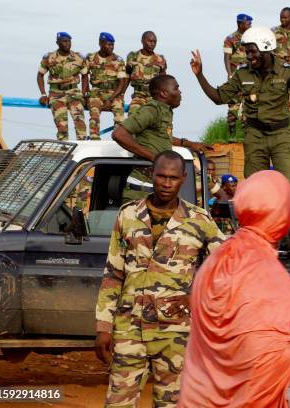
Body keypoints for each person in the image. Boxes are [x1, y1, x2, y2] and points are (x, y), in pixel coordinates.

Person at [178, 170, 290, 407]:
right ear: (281, 214)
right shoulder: (267, 274)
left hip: (200, 398)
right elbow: (282, 352)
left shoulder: (216, 260)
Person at [95, 150, 225, 408]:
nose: (166, 183)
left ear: (183, 179)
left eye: (173, 178)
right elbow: (113, 273)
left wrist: (196, 297)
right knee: (118, 402)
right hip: (129, 329)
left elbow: (225, 267)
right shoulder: (128, 215)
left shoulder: (199, 221)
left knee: (172, 404)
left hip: (175, 333)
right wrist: (103, 326)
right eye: (161, 176)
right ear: (150, 175)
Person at [190, 26, 290, 190]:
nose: (249, 56)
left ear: (266, 48)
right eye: (247, 52)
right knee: (254, 187)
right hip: (255, 136)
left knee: (286, 185)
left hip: (281, 135)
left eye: (253, 52)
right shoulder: (242, 73)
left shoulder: (286, 71)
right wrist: (200, 75)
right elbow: (218, 98)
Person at [112, 74, 209, 203]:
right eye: (176, 88)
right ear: (163, 93)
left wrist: (189, 144)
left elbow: (163, 136)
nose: (180, 92)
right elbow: (119, 134)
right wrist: (154, 158)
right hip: (141, 189)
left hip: (153, 188)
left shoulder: (164, 111)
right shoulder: (152, 110)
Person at [37, 32, 87, 140]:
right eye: (64, 41)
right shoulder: (49, 57)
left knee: (80, 123)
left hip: (74, 93)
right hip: (56, 94)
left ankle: (84, 151)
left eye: (69, 41)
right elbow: (40, 75)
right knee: (62, 126)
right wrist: (43, 94)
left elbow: (85, 76)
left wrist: (83, 93)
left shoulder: (78, 57)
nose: (67, 43)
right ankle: (65, 151)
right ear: (57, 43)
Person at [82, 32, 127, 140]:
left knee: (120, 117)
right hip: (96, 92)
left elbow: (121, 82)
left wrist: (110, 99)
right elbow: (84, 76)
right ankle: (94, 140)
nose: (111, 47)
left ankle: (119, 140)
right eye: (109, 44)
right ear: (101, 43)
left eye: (112, 44)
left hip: (114, 92)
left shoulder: (118, 60)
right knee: (94, 114)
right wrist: (84, 94)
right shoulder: (91, 58)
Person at [223, 13, 253, 138]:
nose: (250, 26)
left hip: (250, 77)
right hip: (235, 77)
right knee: (233, 107)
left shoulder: (252, 37)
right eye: (248, 24)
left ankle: (247, 136)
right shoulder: (231, 39)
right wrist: (229, 74)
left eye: (251, 24)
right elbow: (227, 58)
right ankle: (232, 135)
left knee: (250, 105)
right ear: (240, 24)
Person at [125, 31, 167, 115]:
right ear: (142, 41)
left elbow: (164, 81)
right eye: (150, 41)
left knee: (157, 120)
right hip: (138, 95)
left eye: (155, 42)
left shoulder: (160, 59)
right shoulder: (133, 56)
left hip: (154, 97)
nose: (153, 44)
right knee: (132, 118)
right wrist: (121, 95)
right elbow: (126, 76)